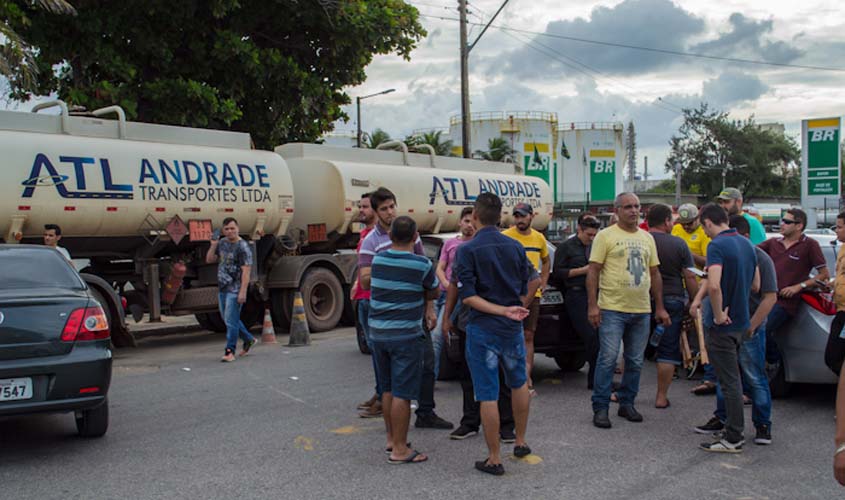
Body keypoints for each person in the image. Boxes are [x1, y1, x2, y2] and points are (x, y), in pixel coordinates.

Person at [455, 193, 540, 476]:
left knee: (487, 393)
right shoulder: (515, 246)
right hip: (511, 329)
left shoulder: (466, 250)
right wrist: (518, 307)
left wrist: (500, 310)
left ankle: (494, 458)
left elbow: (468, 297)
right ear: (501, 216)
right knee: (518, 383)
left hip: (483, 329)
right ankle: (520, 440)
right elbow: (535, 278)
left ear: (476, 217)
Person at [359, 187, 452, 430]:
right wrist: (392, 267)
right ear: (376, 213)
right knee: (391, 380)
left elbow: (424, 272)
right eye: (384, 209)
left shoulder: (413, 236)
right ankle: (394, 430)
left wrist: (429, 309)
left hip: (415, 313)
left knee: (428, 363)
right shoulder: (371, 243)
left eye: (392, 206)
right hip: (388, 314)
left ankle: (426, 412)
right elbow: (364, 280)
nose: (390, 212)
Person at [588, 192, 669, 429]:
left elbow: (654, 273)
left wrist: (660, 306)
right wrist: (593, 305)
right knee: (608, 359)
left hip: (641, 309)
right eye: (628, 207)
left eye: (636, 206)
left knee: (635, 360)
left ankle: (626, 402)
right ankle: (601, 407)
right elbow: (593, 271)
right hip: (612, 308)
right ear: (617, 210)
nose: (633, 211)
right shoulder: (605, 236)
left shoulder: (647, 238)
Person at [695, 215, 777, 446]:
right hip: (737, 324)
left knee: (751, 377)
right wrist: (697, 301)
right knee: (727, 378)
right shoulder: (742, 250)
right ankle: (725, 420)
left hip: (742, 325)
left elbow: (768, 295)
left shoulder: (757, 255)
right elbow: (712, 282)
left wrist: (751, 325)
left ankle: (760, 426)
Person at [369, 216, 439, 465]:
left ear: (390, 236)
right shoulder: (421, 264)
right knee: (403, 392)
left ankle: (391, 439)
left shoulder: (378, 260)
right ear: (415, 236)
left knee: (387, 388)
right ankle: (400, 449)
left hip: (377, 334)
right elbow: (435, 287)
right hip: (405, 335)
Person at [689, 203, 759, 453]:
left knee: (730, 382)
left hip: (723, 327)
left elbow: (715, 284)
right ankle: (733, 428)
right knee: (735, 379)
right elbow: (756, 284)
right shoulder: (746, 244)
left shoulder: (716, 245)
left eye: (702, 225)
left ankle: (733, 437)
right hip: (742, 322)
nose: (703, 231)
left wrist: (718, 314)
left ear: (708, 222)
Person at [441, 269, 516, 443]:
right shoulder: (466, 252)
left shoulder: (509, 248)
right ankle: (470, 422)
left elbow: (532, 279)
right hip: (469, 323)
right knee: (468, 374)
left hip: (500, 324)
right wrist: (447, 317)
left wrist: (518, 305)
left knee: (502, 375)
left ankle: (506, 425)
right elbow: (454, 286)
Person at [759, 208, 829, 365]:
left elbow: (823, 274)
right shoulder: (772, 243)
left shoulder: (810, 245)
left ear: (799, 226)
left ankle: (774, 362)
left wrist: (799, 286)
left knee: (762, 328)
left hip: (785, 302)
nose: (782, 224)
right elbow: (749, 253)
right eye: (782, 221)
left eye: (787, 222)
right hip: (766, 298)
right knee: (753, 329)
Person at [647, 204, 698, 409]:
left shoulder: (640, 240)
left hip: (640, 298)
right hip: (673, 298)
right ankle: (661, 397)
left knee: (633, 347)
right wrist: (695, 301)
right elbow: (690, 276)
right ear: (667, 221)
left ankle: (625, 393)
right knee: (668, 349)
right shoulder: (678, 244)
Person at [502, 202, 550, 394]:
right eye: (516, 216)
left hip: (533, 294)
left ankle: (526, 375)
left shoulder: (539, 238)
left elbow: (546, 261)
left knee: (528, 335)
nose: (519, 220)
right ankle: (509, 375)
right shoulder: (506, 237)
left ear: (531, 216)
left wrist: (543, 281)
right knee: (508, 334)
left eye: (523, 216)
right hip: (510, 293)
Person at [552, 213, 600, 389]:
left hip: (596, 294)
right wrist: (584, 270)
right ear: (579, 230)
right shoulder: (566, 247)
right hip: (576, 294)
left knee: (601, 338)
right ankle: (595, 381)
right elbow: (558, 273)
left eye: (594, 235)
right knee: (591, 336)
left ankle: (598, 379)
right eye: (588, 234)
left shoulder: (596, 246)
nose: (591, 238)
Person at [431, 206, 475, 379]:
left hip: (457, 297)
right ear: (459, 222)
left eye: (473, 221)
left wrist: (453, 289)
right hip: (441, 293)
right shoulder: (450, 244)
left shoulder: (474, 246)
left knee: (438, 336)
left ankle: (430, 381)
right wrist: (445, 283)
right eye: (466, 221)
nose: (469, 225)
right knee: (430, 334)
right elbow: (440, 268)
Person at [206, 217, 257, 363]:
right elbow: (209, 260)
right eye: (227, 229)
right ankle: (248, 339)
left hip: (235, 289)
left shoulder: (243, 247)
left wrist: (243, 292)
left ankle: (230, 351)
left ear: (238, 229)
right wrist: (213, 245)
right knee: (229, 319)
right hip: (222, 287)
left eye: (232, 228)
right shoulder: (221, 243)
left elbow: (246, 272)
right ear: (223, 230)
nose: (230, 231)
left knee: (230, 321)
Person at [352, 193, 383, 418]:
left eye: (364, 207)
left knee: (379, 350)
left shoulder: (378, 235)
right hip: (363, 296)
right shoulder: (364, 234)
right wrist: (356, 284)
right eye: (359, 206)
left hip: (374, 297)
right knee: (373, 350)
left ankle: (383, 398)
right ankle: (379, 392)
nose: (361, 210)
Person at [825, 212, 845, 376]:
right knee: (832, 356)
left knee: (835, 354)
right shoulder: (842, 249)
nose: (836, 231)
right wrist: (831, 285)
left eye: (839, 227)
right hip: (840, 309)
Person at [671, 204, 710, 270]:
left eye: (689, 223)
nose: (686, 227)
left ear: (698, 218)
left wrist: (688, 254)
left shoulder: (705, 232)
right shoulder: (676, 228)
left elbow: (709, 262)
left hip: (697, 277)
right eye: (683, 224)